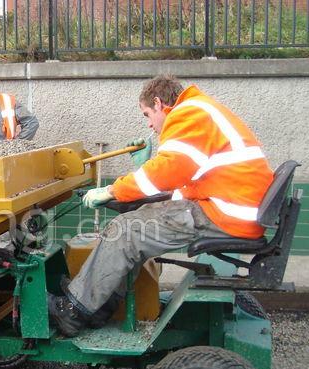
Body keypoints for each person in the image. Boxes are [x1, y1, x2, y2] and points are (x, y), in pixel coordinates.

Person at [48, 74, 274, 337]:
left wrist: (112, 189)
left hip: (226, 214)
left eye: (147, 115)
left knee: (126, 230)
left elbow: (167, 173)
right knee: (139, 223)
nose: (150, 126)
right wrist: (141, 173)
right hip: (232, 208)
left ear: (158, 103)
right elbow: (181, 183)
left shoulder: (187, 114)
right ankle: (101, 306)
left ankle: (73, 311)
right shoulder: (201, 110)